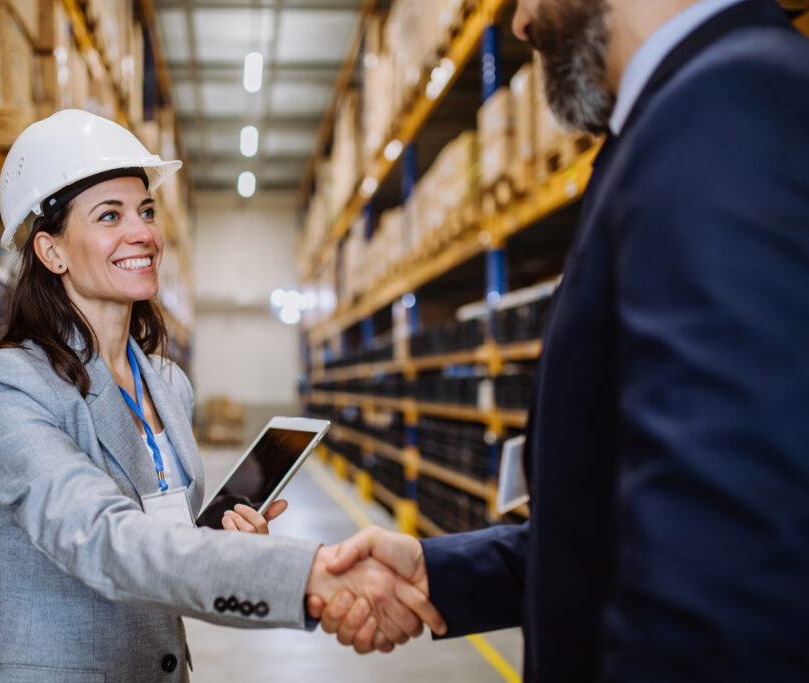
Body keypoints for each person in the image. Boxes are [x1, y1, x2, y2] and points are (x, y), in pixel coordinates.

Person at [310, 0, 809, 679]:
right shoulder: (685, 121)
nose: (518, 23)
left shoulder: (721, 118)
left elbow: (726, 571)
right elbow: (614, 522)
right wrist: (438, 571)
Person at [0, 110, 446, 682]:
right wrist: (304, 574)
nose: (141, 232)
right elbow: (98, 536)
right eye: (109, 216)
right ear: (52, 252)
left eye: (145, 211)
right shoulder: (9, 384)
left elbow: (168, 544)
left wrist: (224, 543)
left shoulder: (168, 384)